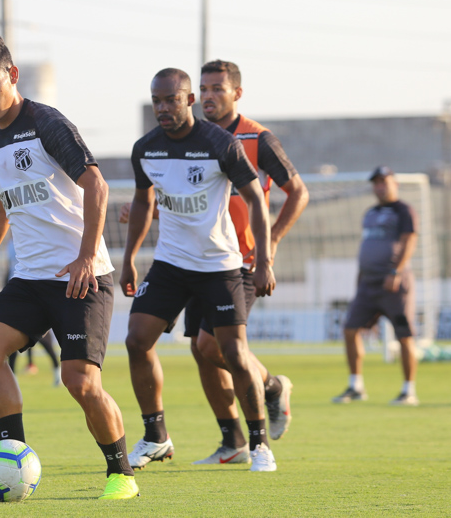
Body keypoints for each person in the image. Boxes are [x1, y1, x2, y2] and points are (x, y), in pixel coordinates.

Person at [0, 32, 139, 499]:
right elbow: (0, 206)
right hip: (31, 279)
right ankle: (12, 460)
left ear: (11, 76)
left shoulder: (46, 123)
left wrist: (83, 256)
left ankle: (122, 475)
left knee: (80, 382)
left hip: (84, 276)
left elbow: (95, 185)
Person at [118, 60, 309, 467]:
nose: (164, 107)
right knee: (149, 341)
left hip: (227, 263)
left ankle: (261, 434)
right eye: (156, 101)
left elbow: (272, 197)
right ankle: (166, 437)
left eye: (172, 99)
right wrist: (130, 257)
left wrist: (266, 254)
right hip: (171, 263)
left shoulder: (242, 141)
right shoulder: (147, 147)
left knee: (225, 350)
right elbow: (150, 199)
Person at [332, 166, 419, 406]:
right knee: (350, 330)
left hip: (394, 285)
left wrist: (396, 271)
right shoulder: (370, 213)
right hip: (367, 285)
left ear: (395, 183)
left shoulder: (404, 211)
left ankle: (408, 390)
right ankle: (355, 385)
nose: (380, 187)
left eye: (384, 182)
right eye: (376, 183)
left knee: (404, 336)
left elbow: (409, 240)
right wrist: (359, 281)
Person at [5, 236, 61, 385]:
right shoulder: (10, 244)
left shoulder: (37, 237)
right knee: (12, 337)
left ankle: (57, 371)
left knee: (44, 338)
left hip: (38, 291)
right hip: (17, 292)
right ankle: (12, 377)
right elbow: (8, 267)